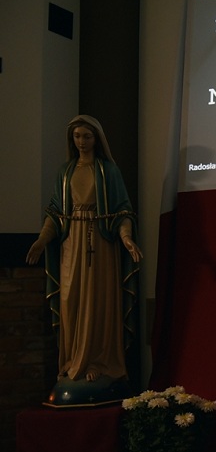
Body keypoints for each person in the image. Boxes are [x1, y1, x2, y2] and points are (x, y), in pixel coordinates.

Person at [26, 115, 142, 388]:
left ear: (97, 139)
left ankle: (99, 362)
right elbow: (55, 213)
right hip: (71, 244)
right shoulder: (65, 172)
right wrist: (41, 240)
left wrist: (126, 238)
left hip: (101, 244)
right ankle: (72, 360)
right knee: (71, 300)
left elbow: (123, 211)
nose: (82, 141)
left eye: (87, 136)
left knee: (99, 301)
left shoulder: (108, 171)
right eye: (77, 136)